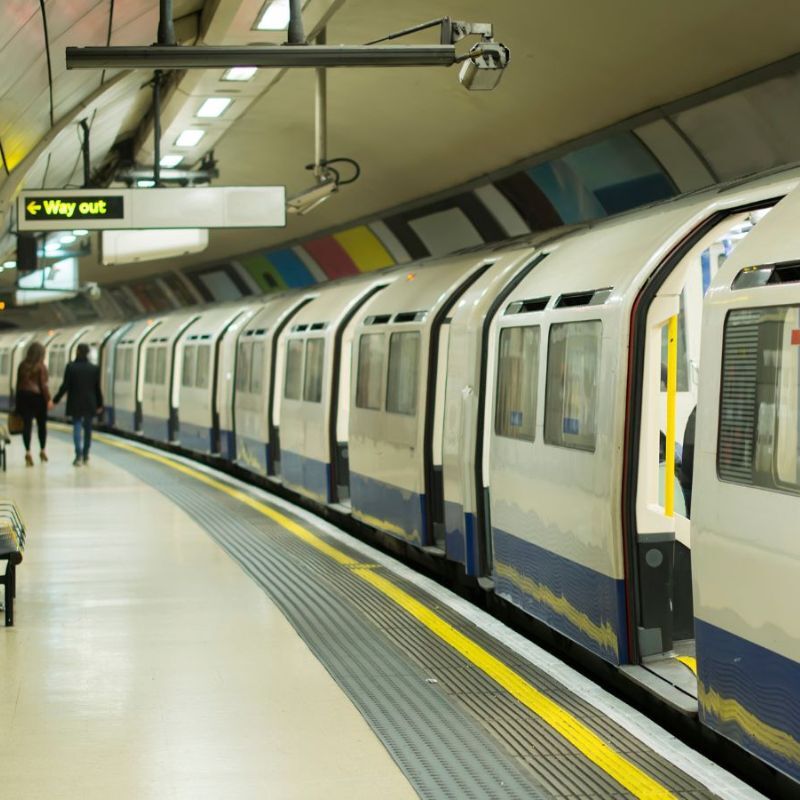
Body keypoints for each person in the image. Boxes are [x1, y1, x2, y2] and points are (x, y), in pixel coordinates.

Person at [53, 344, 104, 466]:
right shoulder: (94, 369)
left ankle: (78, 455)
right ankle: (86, 454)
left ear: (77, 352)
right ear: (87, 353)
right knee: (88, 429)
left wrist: (55, 400)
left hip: (75, 403)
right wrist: (100, 404)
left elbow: (65, 386)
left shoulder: (70, 367)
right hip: (90, 403)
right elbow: (97, 388)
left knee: (77, 427)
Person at [15, 341, 53, 466]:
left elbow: (18, 384)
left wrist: (17, 403)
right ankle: (42, 450)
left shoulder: (22, 365)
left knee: (27, 426)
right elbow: (44, 385)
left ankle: (28, 452)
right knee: (42, 425)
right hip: (38, 399)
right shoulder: (41, 367)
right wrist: (48, 400)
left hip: (23, 397)